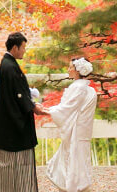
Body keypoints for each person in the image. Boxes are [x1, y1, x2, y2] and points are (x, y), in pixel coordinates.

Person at [0, 32, 46, 192]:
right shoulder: (10, 66)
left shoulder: (8, 64)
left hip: (9, 122)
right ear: (15, 47)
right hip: (14, 124)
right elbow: (18, 94)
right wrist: (33, 107)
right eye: (23, 48)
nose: (24, 51)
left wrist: (30, 99)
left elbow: (19, 91)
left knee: (10, 164)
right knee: (16, 162)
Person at [45, 57, 98, 192]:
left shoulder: (78, 87)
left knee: (73, 158)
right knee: (79, 159)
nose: (68, 70)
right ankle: (80, 186)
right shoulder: (88, 88)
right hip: (83, 131)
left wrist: (47, 111)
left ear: (78, 70)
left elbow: (67, 108)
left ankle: (74, 187)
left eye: (70, 67)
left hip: (76, 131)